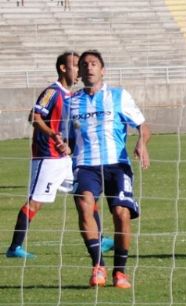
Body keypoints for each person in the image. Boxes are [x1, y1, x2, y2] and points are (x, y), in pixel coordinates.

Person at [5, 51, 112, 259]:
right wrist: (52, 134)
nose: (80, 72)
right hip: (47, 158)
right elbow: (34, 116)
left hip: (65, 159)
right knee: (36, 201)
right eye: (75, 66)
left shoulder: (72, 96)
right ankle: (14, 248)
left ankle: (99, 239)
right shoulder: (52, 92)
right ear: (63, 68)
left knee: (85, 195)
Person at [67, 50, 151, 288]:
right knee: (85, 205)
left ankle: (120, 272)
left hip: (117, 164)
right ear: (79, 72)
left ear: (102, 70)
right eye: (84, 65)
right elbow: (67, 138)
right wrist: (64, 146)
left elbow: (143, 126)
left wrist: (141, 143)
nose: (89, 68)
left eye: (94, 64)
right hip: (85, 164)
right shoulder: (71, 102)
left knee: (121, 214)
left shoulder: (118, 96)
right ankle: (98, 266)